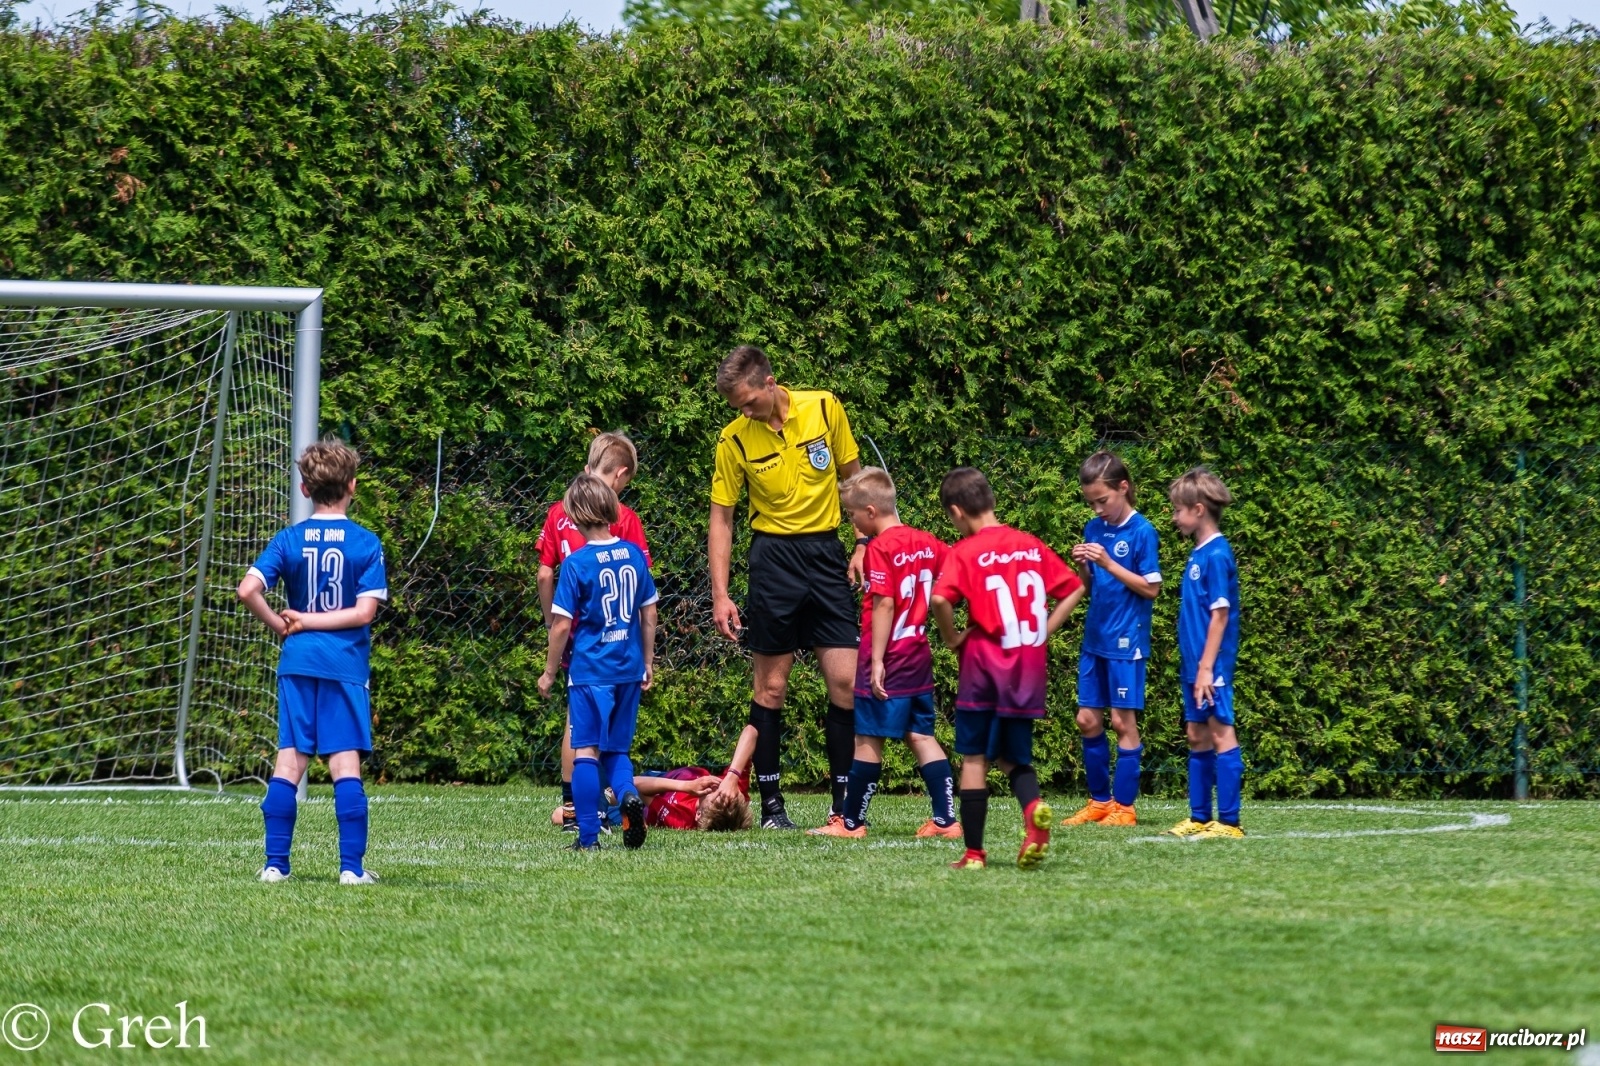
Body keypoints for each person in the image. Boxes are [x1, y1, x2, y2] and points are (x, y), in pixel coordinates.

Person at [707, 345, 865, 830]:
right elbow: (723, 516)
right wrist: (720, 593)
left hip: (825, 557)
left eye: (749, 401)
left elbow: (854, 479)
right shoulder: (733, 440)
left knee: (845, 684)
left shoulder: (823, 407)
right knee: (771, 688)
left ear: (770, 382)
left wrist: (862, 542)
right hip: (772, 560)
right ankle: (774, 809)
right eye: (737, 407)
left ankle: (844, 807)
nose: (745, 411)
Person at [238, 439, 388, 885]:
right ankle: (350, 869)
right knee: (345, 765)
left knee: (290, 762)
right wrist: (312, 621)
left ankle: (275, 865)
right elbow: (364, 613)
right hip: (343, 664)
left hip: (298, 662)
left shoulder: (289, 538)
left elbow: (248, 590)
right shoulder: (365, 542)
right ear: (352, 487)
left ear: (304, 488)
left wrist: (283, 625)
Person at [929, 468, 1084, 871]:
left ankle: (975, 853)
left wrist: (951, 637)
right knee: (1013, 756)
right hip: (1027, 668)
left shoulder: (965, 551)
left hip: (983, 667)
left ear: (957, 512)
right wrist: (1042, 630)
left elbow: (940, 599)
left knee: (975, 758)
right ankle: (1033, 807)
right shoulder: (1029, 545)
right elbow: (1074, 588)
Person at [808, 468, 959, 840]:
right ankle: (947, 821)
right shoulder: (926, 542)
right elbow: (953, 570)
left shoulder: (879, 548)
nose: (853, 522)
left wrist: (876, 661)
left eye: (853, 515)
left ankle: (851, 823)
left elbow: (885, 604)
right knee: (920, 735)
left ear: (871, 511)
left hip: (889, 658)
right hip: (918, 655)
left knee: (867, 739)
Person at [537, 432, 653, 832]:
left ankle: (583, 827)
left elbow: (549, 586)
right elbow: (648, 606)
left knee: (583, 742)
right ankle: (625, 797)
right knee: (617, 749)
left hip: (587, 657)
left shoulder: (575, 561)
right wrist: (648, 658)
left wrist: (550, 667)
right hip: (626, 659)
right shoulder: (633, 550)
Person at [1061, 451, 1162, 828]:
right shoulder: (1093, 529)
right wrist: (1084, 568)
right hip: (1095, 639)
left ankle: (1125, 808)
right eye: (1091, 503)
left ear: (1124, 488)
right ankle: (1100, 802)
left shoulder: (1142, 532)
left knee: (1122, 722)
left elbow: (1151, 589)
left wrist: (1108, 563)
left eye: (1102, 500)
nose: (1098, 509)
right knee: (1087, 719)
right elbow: (1089, 587)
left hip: (1126, 642)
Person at [1163, 468, 1245, 839]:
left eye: (1177, 510)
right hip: (1195, 664)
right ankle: (1199, 818)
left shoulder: (1216, 555)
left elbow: (1220, 615)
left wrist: (1208, 667)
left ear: (1198, 510)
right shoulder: (1199, 552)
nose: (1174, 517)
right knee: (1196, 733)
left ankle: (1229, 823)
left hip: (1211, 666)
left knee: (1220, 732)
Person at [546, 725, 757, 832]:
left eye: (713, 795)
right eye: (721, 789)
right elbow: (751, 731)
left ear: (699, 813)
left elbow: (635, 785)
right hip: (657, 779)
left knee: (562, 814)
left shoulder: (680, 819)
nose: (715, 788)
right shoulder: (733, 790)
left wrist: (687, 787)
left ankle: (585, 810)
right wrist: (732, 776)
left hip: (637, 800)